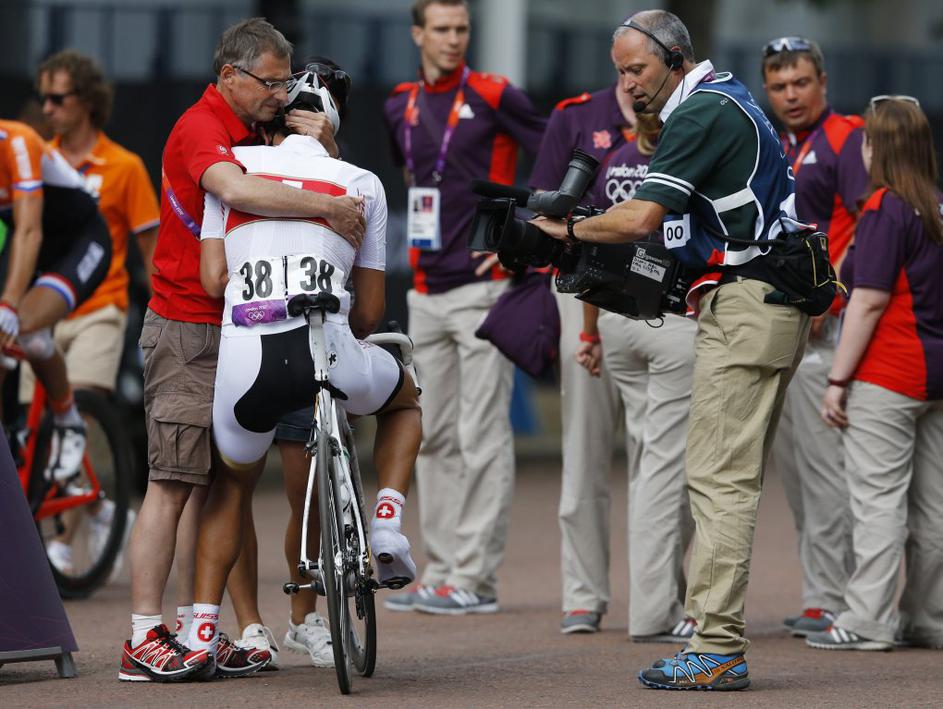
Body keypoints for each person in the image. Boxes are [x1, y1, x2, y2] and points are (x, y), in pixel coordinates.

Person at [534, 10, 810, 690]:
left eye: (636, 69)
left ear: (675, 57)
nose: (626, 85)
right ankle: (714, 640)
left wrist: (562, 229)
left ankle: (715, 646)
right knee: (725, 477)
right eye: (619, 71)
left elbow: (638, 217)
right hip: (763, 299)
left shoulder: (700, 111)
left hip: (749, 302)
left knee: (718, 480)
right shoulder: (728, 96)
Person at [120, 17, 365, 683]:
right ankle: (143, 635)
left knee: (217, 487)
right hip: (188, 326)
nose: (280, 95)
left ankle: (203, 631)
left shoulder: (253, 128)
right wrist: (326, 212)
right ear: (229, 75)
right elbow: (233, 190)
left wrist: (327, 141)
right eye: (270, 81)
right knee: (171, 484)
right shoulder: (201, 127)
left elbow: (311, 173)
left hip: (242, 323)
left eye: (287, 82)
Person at [188, 67, 421, 676]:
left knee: (229, 490)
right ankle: (389, 524)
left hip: (245, 359)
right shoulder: (362, 182)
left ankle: (201, 629)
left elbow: (213, 281)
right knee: (405, 398)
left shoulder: (232, 171)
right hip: (328, 351)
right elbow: (369, 313)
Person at [382, 0, 544, 615]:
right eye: (442, 29)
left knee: (482, 434)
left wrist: (520, 234)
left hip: (483, 291)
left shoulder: (496, 93)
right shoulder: (399, 102)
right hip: (426, 288)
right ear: (418, 33)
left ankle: (474, 578)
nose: (454, 40)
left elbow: (554, 153)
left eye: (463, 29)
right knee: (436, 434)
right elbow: (416, 175)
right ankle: (441, 571)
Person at [806, 96, 943, 652]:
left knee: (877, 502)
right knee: (934, 506)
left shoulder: (885, 206)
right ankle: (928, 617)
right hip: (937, 374)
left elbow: (866, 302)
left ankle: (866, 620)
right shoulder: (935, 203)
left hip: (889, 373)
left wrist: (837, 381)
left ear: (876, 147)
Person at [231, 57, 354, 670]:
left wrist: (329, 152)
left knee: (308, 489)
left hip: (311, 336)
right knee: (234, 492)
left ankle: (303, 618)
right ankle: (248, 624)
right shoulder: (243, 154)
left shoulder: (342, 168)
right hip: (249, 331)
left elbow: (359, 236)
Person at [26, 49, 159, 579]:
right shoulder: (38, 160)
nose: (48, 108)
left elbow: (149, 256)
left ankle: (63, 540)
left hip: (102, 308)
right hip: (43, 312)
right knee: (31, 433)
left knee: (75, 416)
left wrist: (160, 319)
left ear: (88, 102)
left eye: (59, 98)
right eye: (43, 98)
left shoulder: (125, 166)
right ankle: (99, 508)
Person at [572, 113, 697, 642]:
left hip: (618, 321)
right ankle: (655, 609)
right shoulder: (683, 160)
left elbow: (591, 254)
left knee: (651, 464)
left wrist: (589, 332)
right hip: (671, 319)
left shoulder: (615, 159)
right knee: (670, 473)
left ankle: (663, 595)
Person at [760, 37, 869, 637]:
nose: (791, 95)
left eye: (800, 82)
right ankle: (824, 592)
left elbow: (863, 221)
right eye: (779, 86)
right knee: (797, 468)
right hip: (786, 316)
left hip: (829, 320)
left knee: (827, 468)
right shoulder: (774, 142)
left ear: (822, 81)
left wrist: (833, 292)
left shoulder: (847, 135)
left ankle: (838, 598)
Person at [526, 54, 634, 637]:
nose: (634, 78)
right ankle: (583, 594)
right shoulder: (576, 116)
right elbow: (543, 208)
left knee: (662, 459)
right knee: (585, 446)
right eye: (627, 67)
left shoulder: (684, 113)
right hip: (581, 289)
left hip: (658, 297)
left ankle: (660, 595)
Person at [0, 119, 111, 481]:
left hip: (80, 241)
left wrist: (9, 304)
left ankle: (68, 418)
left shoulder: (19, 141)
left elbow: (30, 231)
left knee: (25, 327)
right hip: (30, 245)